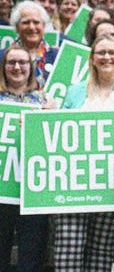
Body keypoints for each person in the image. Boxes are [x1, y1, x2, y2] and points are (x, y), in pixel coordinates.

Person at [54, 35, 114, 271]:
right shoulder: (74, 92)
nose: (106, 57)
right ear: (92, 59)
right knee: (68, 247)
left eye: (112, 52)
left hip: (113, 184)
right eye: (101, 52)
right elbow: (57, 130)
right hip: (72, 184)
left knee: (101, 250)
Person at [0, 46, 52, 271]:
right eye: (11, 62)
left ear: (31, 68)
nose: (17, 67)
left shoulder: (46, 100)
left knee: (31, 251)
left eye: (22, 62)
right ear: (3, 68)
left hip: (33, 188)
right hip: (2, 187)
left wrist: (43, 121)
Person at [2, 1, 59, 88]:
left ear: (44, 26)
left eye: (36, 22)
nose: (31, 27)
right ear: (16, 27)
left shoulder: (57, 56)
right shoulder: (2, 57)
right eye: (25, 22)